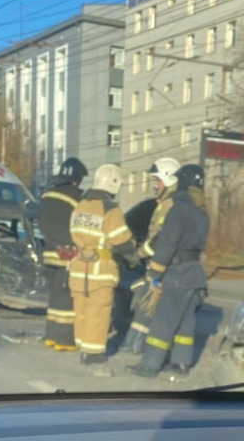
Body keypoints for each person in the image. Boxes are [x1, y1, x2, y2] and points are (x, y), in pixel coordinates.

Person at [127, 164, 210, 378]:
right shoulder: (202, 211)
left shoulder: (178, 209)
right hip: (194, 273)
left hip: (176, 273)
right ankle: (181, 364)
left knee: (163, 320)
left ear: (180, 181)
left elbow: (167, 244)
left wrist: (154, 274)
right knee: (185, 322)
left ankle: (150, 365)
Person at [68, 164, 138, 373]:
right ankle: (94, 354)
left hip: (80, 267)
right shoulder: (110, 209)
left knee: (82, 309)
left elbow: (73, 231)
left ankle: (82, 345)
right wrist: (134, 252)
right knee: (99, 311)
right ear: (114, 184)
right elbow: (123, 240)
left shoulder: (80, 205)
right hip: (100, 269)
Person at [120, 157, 180, 354]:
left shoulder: (171, 204)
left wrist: (139, 253)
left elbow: (160, 237)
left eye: (158, 180)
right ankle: (139, 344)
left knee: (147, 302)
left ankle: (135, 345)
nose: (155, 185)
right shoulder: (167, 202)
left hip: (163, 263)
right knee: (149, 300)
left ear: (169, 179)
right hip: (162, 262)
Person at [39, 157, 88, 352]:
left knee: (54, 297)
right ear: (77, 178)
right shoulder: (77, 198)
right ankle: (65, 340)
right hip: (68, 254)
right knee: (67, 300)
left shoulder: (47, 195)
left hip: (49, 252)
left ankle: (51, 336)